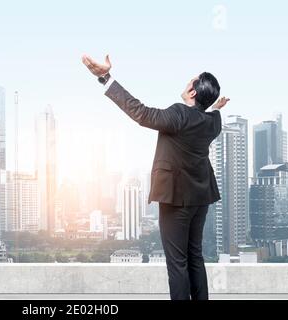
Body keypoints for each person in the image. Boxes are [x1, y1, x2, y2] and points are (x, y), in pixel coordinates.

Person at [82, 54, 229, 300]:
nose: (186, 84)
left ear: (192, 93)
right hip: (200, 199)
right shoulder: (213, 121)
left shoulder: (179, 115)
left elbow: (141, 113)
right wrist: (214, 106)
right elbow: (208, 114)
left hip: (176, 201)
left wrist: (106, 78)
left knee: (177, 263)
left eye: (190, 82)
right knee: (195, 256)